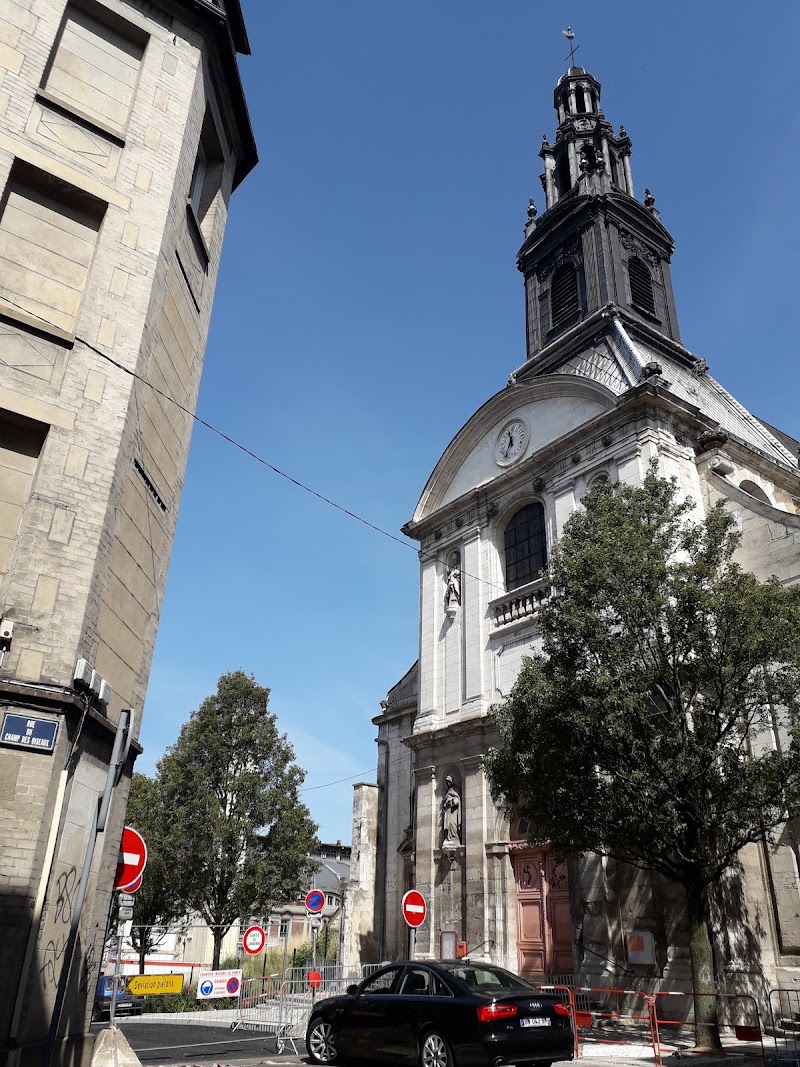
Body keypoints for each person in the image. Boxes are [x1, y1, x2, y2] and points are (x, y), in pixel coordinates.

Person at [442, 776, 462, 845]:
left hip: (454, 811)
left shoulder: (455, 790)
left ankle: (454, 837)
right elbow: (445, 802)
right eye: (447, 782)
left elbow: (458, 799)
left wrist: (452, 801)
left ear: (451, 782)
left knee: (452, 824)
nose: (448, 783)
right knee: (448, 825)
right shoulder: (448, 792)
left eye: (449, 782)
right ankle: (448, 837)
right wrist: (445, 804)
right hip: (448, 812)